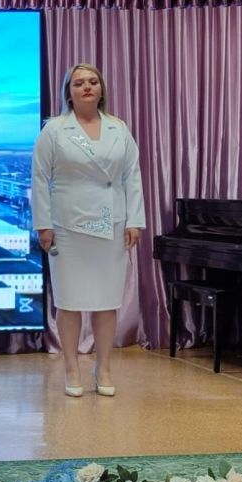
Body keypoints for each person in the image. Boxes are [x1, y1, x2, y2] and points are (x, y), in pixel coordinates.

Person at [31, 63, 145, 398]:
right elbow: (40, 178)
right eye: (79, 83)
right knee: (69, 301)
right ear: (68, 92)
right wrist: (43, 225)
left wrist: (135, 220)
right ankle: (71, 368)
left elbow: (132, 176)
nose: (87, 87)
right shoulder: (54, 130)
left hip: (111, 223)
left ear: (101, 88)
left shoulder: (118, 128)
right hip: (67, 226)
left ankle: (103, 368)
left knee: (106, 301)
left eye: (93, 81)